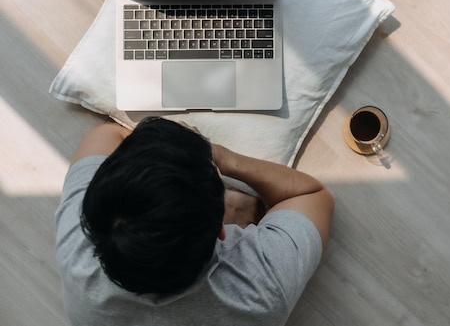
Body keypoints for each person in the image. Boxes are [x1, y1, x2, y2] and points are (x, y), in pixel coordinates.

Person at [55, 117, 334, 326]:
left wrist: (163, 154)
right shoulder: (259, 289)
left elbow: (106, 133)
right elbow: (311, 194)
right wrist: (220, 157)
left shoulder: (77, 245)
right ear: (222, 232)